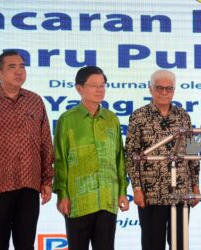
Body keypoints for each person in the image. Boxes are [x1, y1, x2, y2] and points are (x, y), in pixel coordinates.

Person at [0, 50, 54, 249]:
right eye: (12, 67)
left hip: (29, 183)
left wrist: (47, 180)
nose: (18, 72)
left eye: (22, 66)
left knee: (26, 243)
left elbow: (45, 142)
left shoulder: (35, 101)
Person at [53, 66, 129, 250]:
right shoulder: (67, 119)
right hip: (78, 200)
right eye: (94, 85)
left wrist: (122, 191)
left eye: (102, 85)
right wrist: (62, 194)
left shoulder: (112, 119)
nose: (99, 90)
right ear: (79, 88)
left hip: (107, 197)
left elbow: (119, 158)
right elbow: (60, 159)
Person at [125, 70, 200, 250]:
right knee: (152, 244)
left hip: (180, 191)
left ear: (174, 90)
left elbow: (192, 152)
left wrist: (195, 185)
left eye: (169, 88)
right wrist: (136, 188)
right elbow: (131, 154)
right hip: (151, 192)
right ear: (150, 89)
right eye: (159, 88)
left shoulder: (184, 116)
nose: (164, 92)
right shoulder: (139, 116)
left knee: (179, 244)